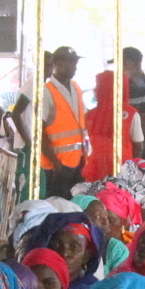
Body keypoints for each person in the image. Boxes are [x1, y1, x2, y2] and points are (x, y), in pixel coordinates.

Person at [39, 46, 91, 197]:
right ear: (57, 64)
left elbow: (83, 118)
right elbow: (39, 132)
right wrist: (55, 162)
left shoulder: (76, 87)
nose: (74, 67)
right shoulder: (46, 91)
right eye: (70, 63)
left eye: (75, 63)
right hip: (56, 165)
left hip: (78, 161)